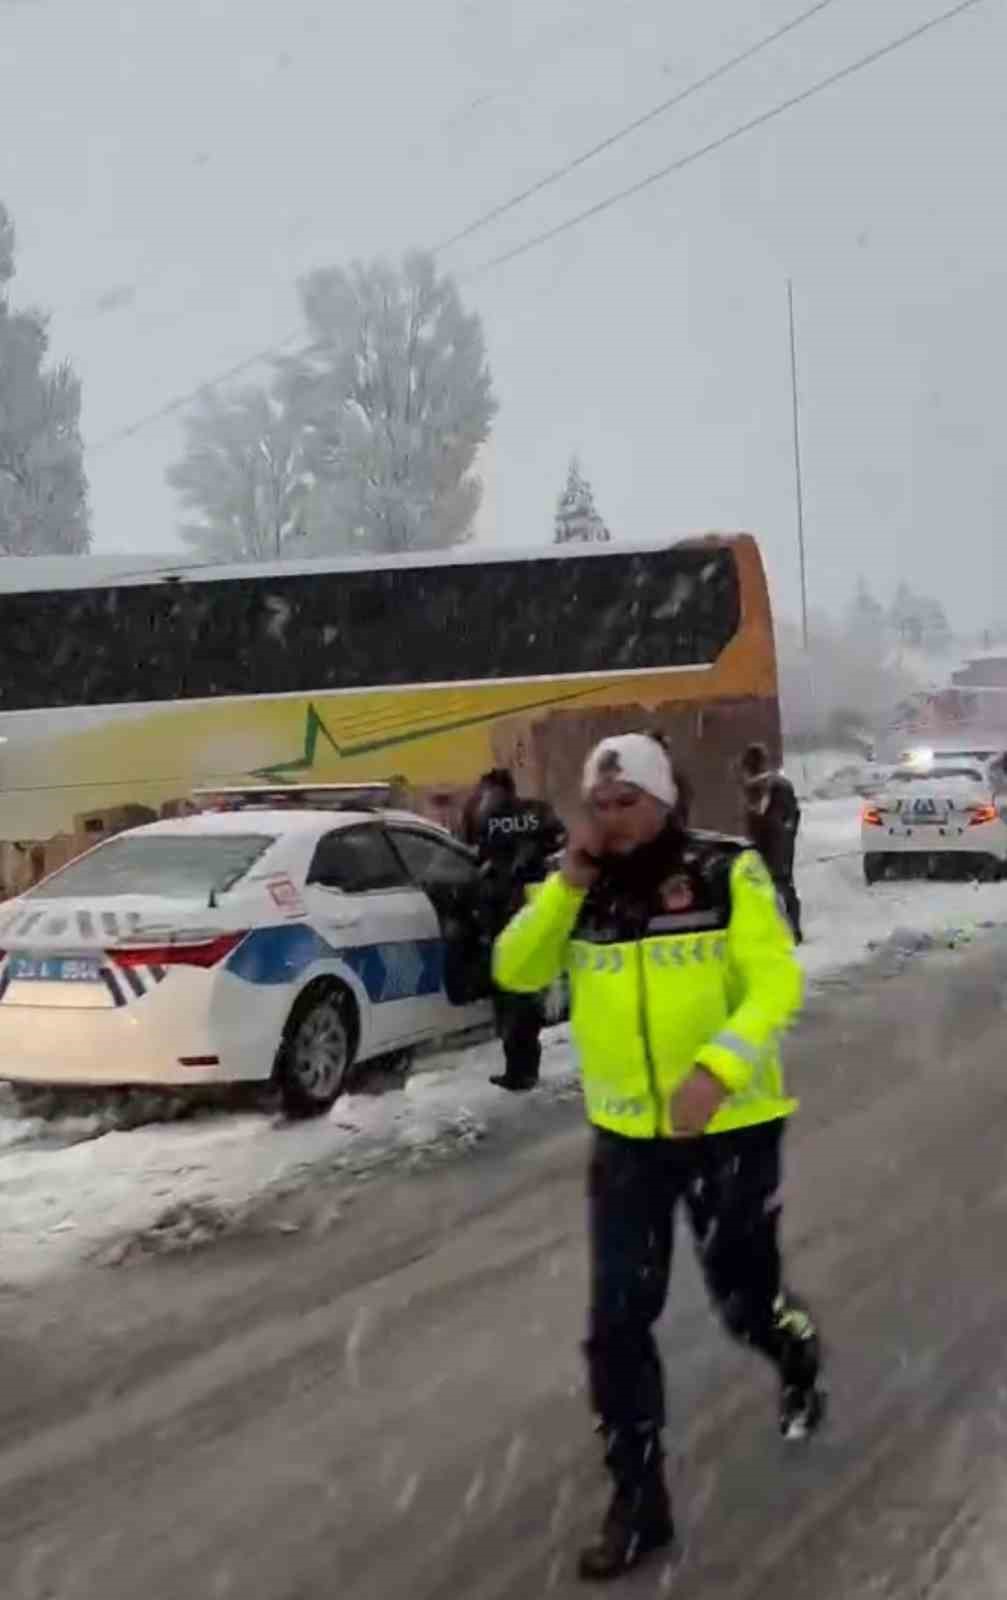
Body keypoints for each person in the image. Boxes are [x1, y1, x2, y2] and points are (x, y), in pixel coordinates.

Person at [494, 733, 823, 1581]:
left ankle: (791, 1349)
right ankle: (639, 1507)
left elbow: (773, 982)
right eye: (597, 806)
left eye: (625, 803)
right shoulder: (581, 890)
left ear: (663, 800)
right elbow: (515, 968)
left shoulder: (725, 872)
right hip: (628, 1142)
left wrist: (718, 1068)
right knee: (615, 1328)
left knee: (741, 1302)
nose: (610, 821)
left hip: (730, 1130)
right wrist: (564, 885)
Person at [465, 768, 565, 1091]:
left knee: (509, 990)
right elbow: (559, 842)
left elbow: (468, 852)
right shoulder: (536, 812)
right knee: (528, 986)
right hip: (534, 906)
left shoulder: (483, 816)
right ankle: (526, 1063)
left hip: (501, 910)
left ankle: (518, 1068)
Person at [739, 742, 803, 943]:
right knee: (781, 884)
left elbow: (764, 816)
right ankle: (789, 928)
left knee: (779, 884)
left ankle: (791, 929)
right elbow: (793, 815)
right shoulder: (772, 784)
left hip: (773, 842)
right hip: (777, 841)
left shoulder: (766, 786)